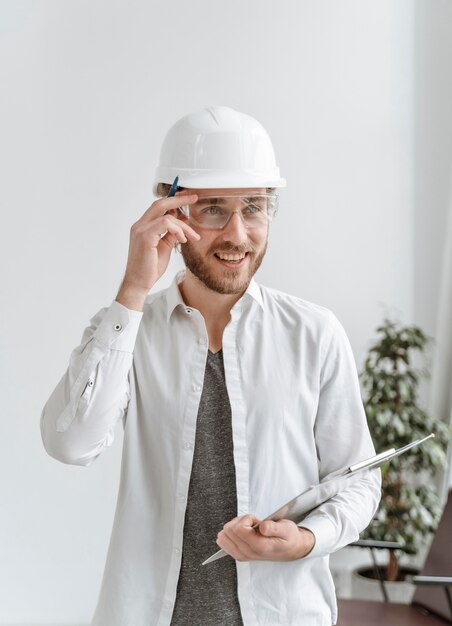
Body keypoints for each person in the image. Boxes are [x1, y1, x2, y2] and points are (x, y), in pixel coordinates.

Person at [41, 105, 381, 626]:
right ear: (170, 213)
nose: (238, 235)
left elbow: (357, 480)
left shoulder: (315, 334)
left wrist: (307, 539)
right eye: (214, 210)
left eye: (254, 208)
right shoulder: (129, 329)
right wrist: (132, 290)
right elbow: (70, 442)